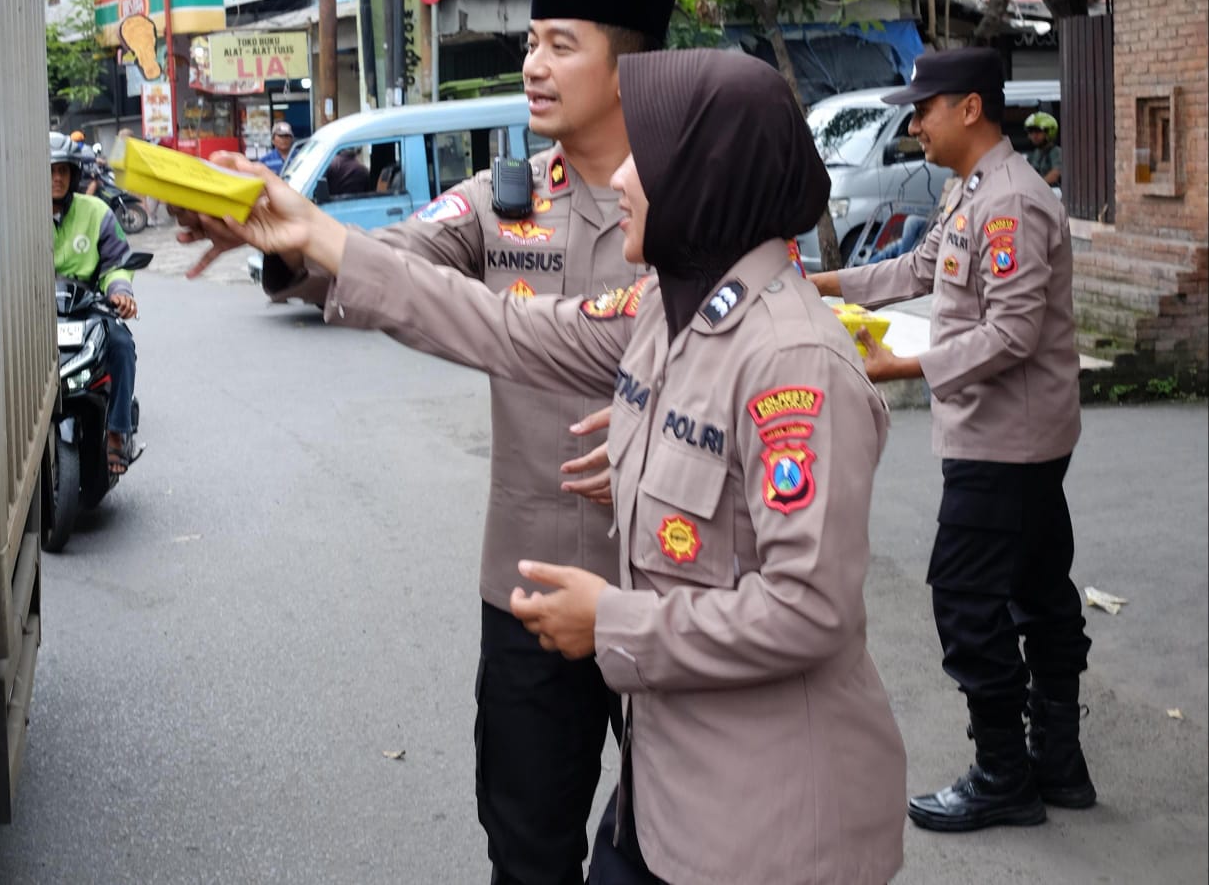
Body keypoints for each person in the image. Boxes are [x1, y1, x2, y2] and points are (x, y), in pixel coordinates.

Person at [196, 49, 908, 884]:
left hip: (767, 827)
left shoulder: (791, 359)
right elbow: (498, 326)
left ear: (703, 175)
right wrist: (309, 231)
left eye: (648, 154)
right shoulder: (668, 313)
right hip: (668, 796)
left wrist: (612, 622)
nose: (624, 180)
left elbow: (808, 609)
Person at [178, 0, 678, 885]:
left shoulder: (693, 206)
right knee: (527, 848)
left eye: (558, 45)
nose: (530, 64)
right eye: (528, 42)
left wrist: (658, 423)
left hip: (666, 583)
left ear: (629, 70)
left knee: (670, 849)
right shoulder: (503, 199)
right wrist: (275, 237)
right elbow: (387, 262)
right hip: (527, 587)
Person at [809, 47, 1093, 834]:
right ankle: (1058, 765)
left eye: (923, 107)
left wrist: (902, 363)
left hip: (1005, 439)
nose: (914, 122)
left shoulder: (1010, 205)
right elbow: (917, 270)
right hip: (1014, 435)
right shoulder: (972, 192)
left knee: (965, 597)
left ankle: (1004, 771)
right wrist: (816, 283)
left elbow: (1012, 331)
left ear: (968, 108)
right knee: (1037, 588)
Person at [50, 132, 140, 475]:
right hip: (35, 312)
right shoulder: (21, 215)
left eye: (64, 170)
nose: (57, 178)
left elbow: (117, 261)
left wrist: (121, 292)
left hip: (87, 305)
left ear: (74, 174)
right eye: (51, 170)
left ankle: (118, 431)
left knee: (121, 345)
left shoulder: (97, 211)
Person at [1024, 111, 1062, 187]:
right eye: (1031, 132)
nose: (1034, 136)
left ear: (1049, 132)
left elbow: (1056, 174)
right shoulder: (1035, 153)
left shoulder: (1056, 152)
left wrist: (1037, 186)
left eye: (1038, 132)